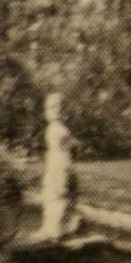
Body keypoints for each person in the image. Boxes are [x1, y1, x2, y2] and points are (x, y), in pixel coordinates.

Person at [40, 92, 81, 239]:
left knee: (62, 193)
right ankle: (55, 228)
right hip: (58, 163)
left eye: (60, 107)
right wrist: (74, 146)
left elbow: (72, 147)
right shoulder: (57, 128)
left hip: (61, 162)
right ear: (47, 111)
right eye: (53, 107)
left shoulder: (59, 128)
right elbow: (71, 146)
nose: (57, 110)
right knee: (57, 192)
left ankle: (60, 227)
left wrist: (73, 148)